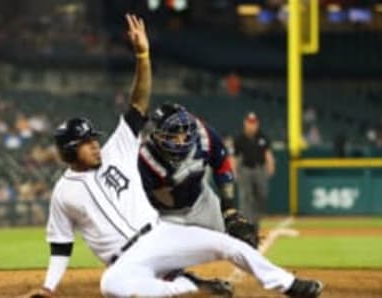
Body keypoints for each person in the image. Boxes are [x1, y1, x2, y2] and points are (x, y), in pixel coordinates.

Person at [23, 14, 323, 298]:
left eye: (93, 139)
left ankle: (289, 284)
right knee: (110, 285)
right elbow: (61, 246)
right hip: (124, 261)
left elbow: (139, 102)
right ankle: (186, 287)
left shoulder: (118, 148)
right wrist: (49, 289)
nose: (94, 145)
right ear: (68, 151)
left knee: (229, 244)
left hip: (161, 235)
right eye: (85, 143)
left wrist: (142, 57)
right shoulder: (63, 194)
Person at [138, 103, 258, 247]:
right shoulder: (144, 159)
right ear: (156, 135)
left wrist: (229, 208)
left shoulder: (204, 135)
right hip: (164, 215)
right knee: (159, 259)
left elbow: (222, 165)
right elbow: (139, 200)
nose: (180, 141)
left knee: (240, 241)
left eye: (183, 133)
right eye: (173, 135)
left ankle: (266, 269)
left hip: (201, 202)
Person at [234, 112, 275, 232]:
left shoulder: (262, 137)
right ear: (245, 123)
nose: (252, 125)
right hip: (245, 170)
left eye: (254, 123)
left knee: (262, 195)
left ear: (257, 124)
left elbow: (267, 153)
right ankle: (246, 224)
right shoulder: (240, 138)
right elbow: (234, 157)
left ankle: (256, 221)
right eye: (249, 123)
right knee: (246, 197)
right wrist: (234, 171)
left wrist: (270, 165)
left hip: (259, 169)